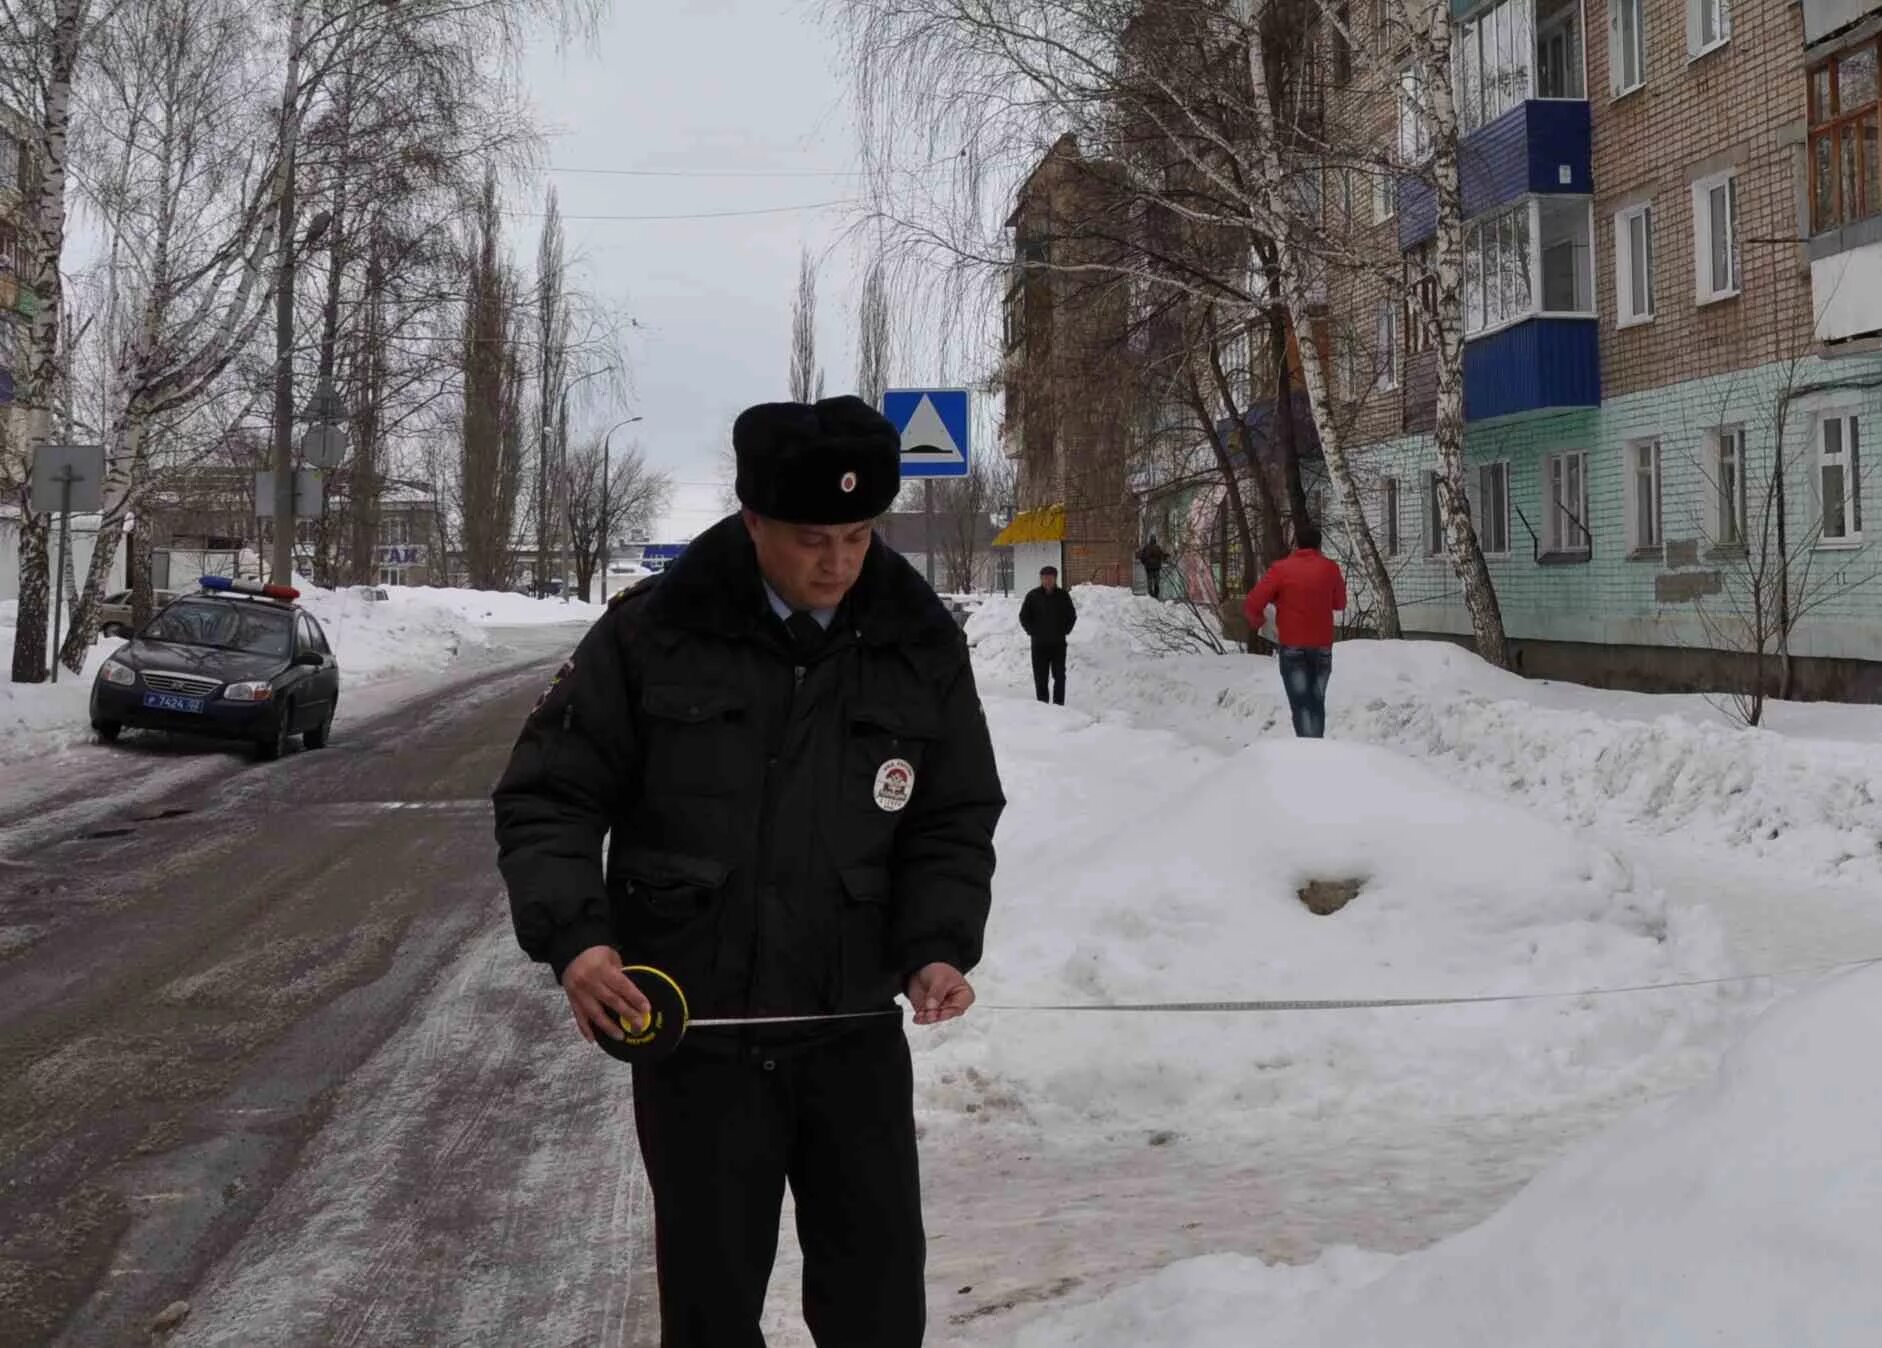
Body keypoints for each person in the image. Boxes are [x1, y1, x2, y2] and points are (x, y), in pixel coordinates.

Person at [492, 395, 1005, 1347]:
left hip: (851, 1030)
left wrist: (936, 944)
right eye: (814, 538)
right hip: (697, 1036)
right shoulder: (654, 634)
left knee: (879, 1302)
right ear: (753, 519)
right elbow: (548, 797)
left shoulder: (915, 639)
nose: (839, 564)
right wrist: (578, 941)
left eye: (858, 536)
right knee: (711, 1307)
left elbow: (952, 814)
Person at [1243, 523, 1347, 739]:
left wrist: (1259, 621)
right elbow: (1339, 603)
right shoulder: (1330, 568)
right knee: (1316, 701)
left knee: (1301, 703)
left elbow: (1253, 602)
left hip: (1293, 646)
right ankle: (1316, 748)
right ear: (1319, 545)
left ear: (1297, 545)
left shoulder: (1281, 569)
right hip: (1322, 646)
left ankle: (1306, 753)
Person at [1018, 564, 1076, 705]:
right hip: (1039, 645)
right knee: (1040, 677)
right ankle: (1042, 706)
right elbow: (1023, 616)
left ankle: (1058, 705)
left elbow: (1071, 616)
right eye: (1044, 578)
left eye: (1049, 578)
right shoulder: (1033, 596)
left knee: (1060, 676)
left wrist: (1065, 630)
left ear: (1055, 579)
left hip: (1058, 645)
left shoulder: (1063, 596)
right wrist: (1032, 632)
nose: (1047, 581)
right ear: (1041, 579)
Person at [1136, 534, 1168, 599]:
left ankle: (1151, 594)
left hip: (1149, 568)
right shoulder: (1158, 548)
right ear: (1155, 540)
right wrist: (1166, 557)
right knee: (1156, 581)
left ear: (1150, 540)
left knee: (1150, 581)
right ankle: (1156, 594)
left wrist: (1145, 563)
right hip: (1156, 567)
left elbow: (1142, 557)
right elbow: (1162, 556)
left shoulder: (1146, 547)